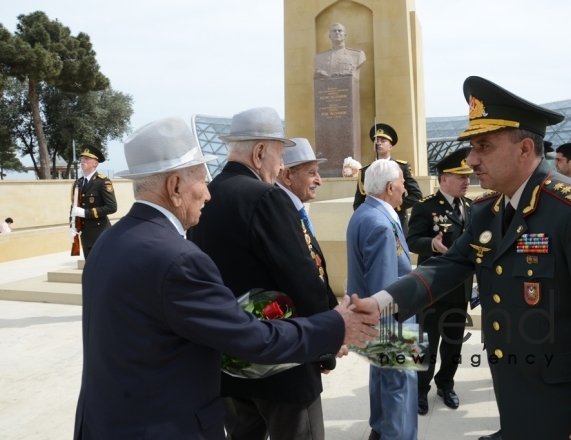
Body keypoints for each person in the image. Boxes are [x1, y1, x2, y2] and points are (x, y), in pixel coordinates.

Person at [351, 76, 571, 440]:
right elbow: (446, 266)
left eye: (484, 146)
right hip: (515, 399)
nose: (471, 160)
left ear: (524, 149)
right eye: (472, 146)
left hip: (568, 413)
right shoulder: (489, 210)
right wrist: (377, 305)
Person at [73, 116, 378, 440]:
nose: (207, 194)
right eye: (201, 181)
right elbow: (254, 338)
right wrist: (336, 325)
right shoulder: (177, 259)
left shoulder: (109, 241)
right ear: (175, 187)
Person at [188, 108, 340, 440]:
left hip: (227, 364)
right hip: (282, 366)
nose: (281, 165)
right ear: (259, 152)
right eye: (280, 155)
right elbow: (301, 280)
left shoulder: (205, 198)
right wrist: (326, 339)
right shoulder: (267, 197)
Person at [347, 159, 417, 440]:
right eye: (401, 183)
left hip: (377, 322)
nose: (405, 189)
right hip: (392, 322)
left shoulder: (366, 212)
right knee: (400, 387)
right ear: (390, 187)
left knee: (382, 380)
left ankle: (380, 430)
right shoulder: (379, 223)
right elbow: (384, 288)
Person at [406, 147, 473, 415]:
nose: (468, 181)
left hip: (461, 288)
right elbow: (412, 241)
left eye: (468, 177)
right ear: (444, 179)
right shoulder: (426, 207)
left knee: (454, 342)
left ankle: (446, 384)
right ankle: (421, 390)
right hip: (433, 288)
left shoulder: (472, 207)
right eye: (461, 177)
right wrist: (431, 245)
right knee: (427, 342)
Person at [275, 137, 339, 311]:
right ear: (287, 175)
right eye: (311, 173)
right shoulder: (278, 211)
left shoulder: (293, 208)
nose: (319, 180)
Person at [353, 123, 422, 234]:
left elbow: (416, 195)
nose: (378, 143)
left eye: (383, 140)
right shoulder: (365, 171)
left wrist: (395, 206)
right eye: (376, 140)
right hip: (373, 220)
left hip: (397, 218)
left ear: (390, 146)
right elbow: (358, 202)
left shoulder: (402, 167)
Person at [69, 145, 117, 258]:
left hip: (100, 233)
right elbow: (74, 207)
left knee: (102, 268)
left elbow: (111, 207)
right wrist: (72, 226)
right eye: (82, 159)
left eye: (87, 159)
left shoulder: (102, 182)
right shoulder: (78, 183)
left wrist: (85, 213)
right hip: (85, 234)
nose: (82, 161)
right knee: (89, 268)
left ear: (95, 163)